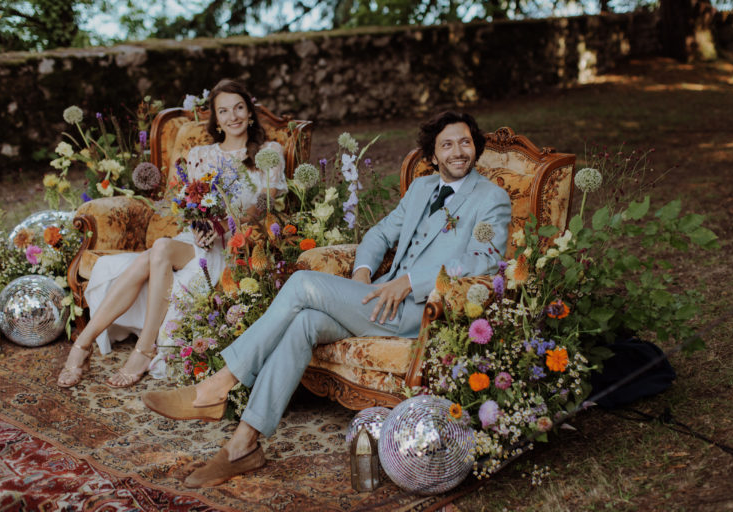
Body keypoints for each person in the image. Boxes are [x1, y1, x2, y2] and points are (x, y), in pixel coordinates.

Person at [141, 111, 512, 487]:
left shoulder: (491, 198)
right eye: (447, 144)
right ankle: (243, 447)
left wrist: (411, 282)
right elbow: (380, 234)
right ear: (433, 154)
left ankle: (217, 386)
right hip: (377, 297)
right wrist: (362, 272)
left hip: (419, 311)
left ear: (475, 146)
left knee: (303, 284)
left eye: (465, 142)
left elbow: (485, 261)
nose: (458, 151)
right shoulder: (421, 189)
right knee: (303, 323)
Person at [57, 79, 287, 389]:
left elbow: (265, 202)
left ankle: (102, 346)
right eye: (224, 111)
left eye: (238, 108)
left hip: (234, 243)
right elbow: (193, 204)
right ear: (216, 119)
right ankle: (98, 345)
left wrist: (225, 225)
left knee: (155, 253)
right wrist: (200, 226)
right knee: (163, 247)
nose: (232, 116)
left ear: (249, 112)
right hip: (198, 241)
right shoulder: (201, 154)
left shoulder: (269, 152)